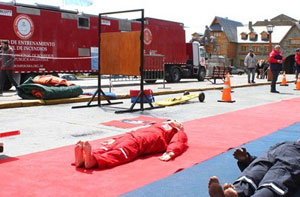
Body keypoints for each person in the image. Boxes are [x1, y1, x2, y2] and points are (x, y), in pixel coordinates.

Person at [74, 120, 188, 169]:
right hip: (134, 137)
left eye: (179, 123)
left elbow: (178, 141)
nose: (177, 122)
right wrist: (115, 138)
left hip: (139, 140)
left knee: (118, 150)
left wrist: (172, 152)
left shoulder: (177, 131)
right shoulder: (159, 124)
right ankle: (86, 159)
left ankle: (90, 159)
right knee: (115, 149)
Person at [208, 140, 300, 197]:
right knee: (258, 167)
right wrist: (247, 159)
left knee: (279, 175)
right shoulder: (285, 143)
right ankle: (236, 193)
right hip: (275, 153)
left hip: (293, 160)